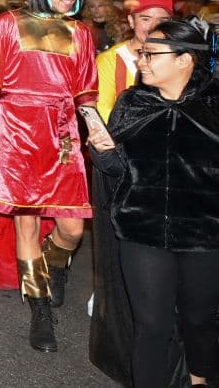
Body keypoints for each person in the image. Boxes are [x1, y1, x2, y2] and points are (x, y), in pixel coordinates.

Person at [0, 0, 100, 353]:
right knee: (25, 222)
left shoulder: (81, 34)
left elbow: (85, 94)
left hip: (62, 138)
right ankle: (40, 310)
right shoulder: (7, 24)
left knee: (73, 228)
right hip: (16, 134)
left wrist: (98, 130)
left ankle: (54, 262)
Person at [89, 21, 219, 387]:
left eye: (150, 54)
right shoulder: (133, 102)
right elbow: (117, 168)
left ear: (184, 60)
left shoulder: (215, 103)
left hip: (204, 234)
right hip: (142, 230)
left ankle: (198, 380)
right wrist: (103, 151)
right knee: (150, 326)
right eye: (142, 53)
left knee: (199, 321)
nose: (141, 60)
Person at [96, 0, 173, 123]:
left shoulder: (178, 59)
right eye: (145, 19)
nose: (154, 27)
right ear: (131, 21)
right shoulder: (110, 60)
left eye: (162, 20)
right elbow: (103, 113)